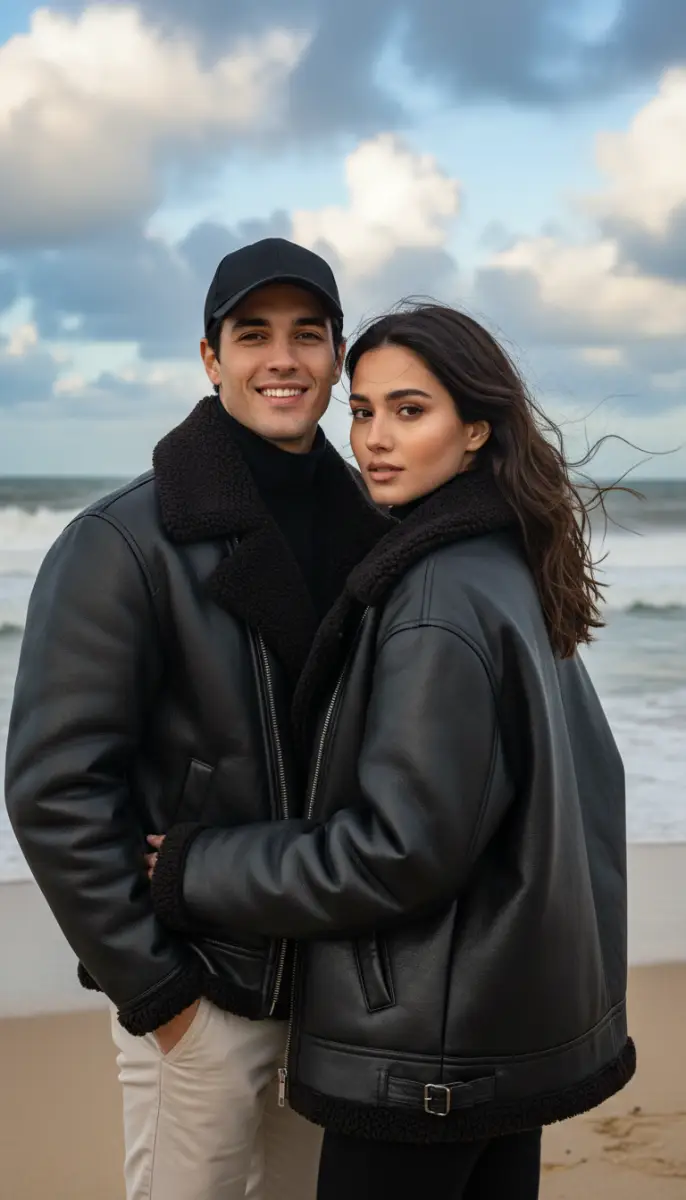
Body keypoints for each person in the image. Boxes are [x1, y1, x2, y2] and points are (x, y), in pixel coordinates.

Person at [147, 303, 636, 1199]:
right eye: (363, 411)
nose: (374, 437)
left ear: (477, 428)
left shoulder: (435, 598)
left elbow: (396, 851)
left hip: (422, 1053)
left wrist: (196, 864)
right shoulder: (503, 562)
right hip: (495, 1034)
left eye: (410, 411)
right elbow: (593, 792)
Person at [4, 238, 389, 1200]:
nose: (282, 359)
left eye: (309, 335)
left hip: (336, 994)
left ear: (338, 358)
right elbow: (53, 789)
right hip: (202, 988)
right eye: (252, 334)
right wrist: (162, 996)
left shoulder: (382, 537)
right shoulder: (120, 543)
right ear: (211, 358)